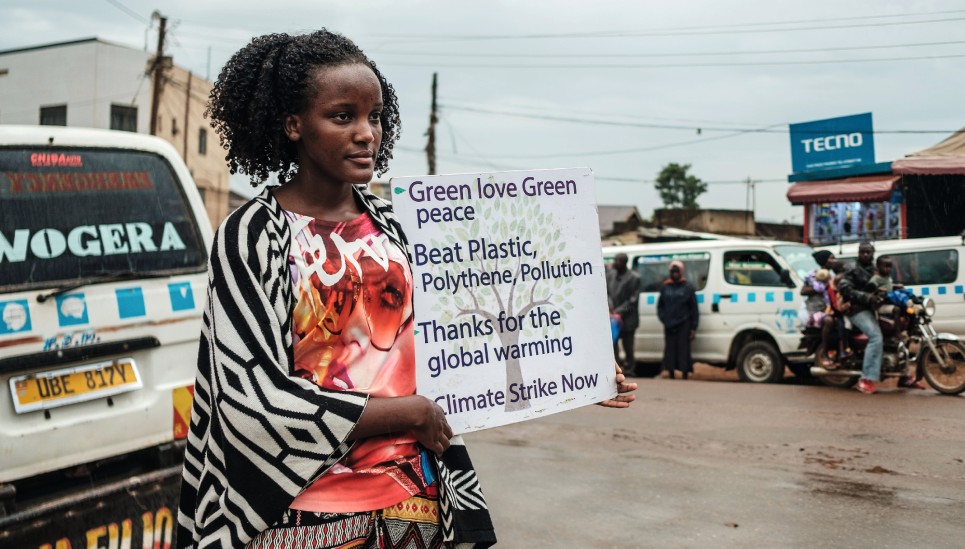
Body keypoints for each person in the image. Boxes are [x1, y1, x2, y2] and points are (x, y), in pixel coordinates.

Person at [176, 30, 636, 549]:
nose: (366, 133)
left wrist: (578, 370)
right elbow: (251, 395)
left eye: (374, 116)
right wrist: (407, 412)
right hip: (300, 509)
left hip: (412, 501)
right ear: (293, 125)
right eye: (343, 116)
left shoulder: (399, 228)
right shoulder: (253, 233)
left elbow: (468, 339)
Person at [838, 242, 924, 394]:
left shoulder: (876, 268)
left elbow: (883, 283)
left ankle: (904, 376)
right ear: (858, 253)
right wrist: (867, 297)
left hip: (876, 308)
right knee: (876, 336)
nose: (865, 255)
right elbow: (845, 288)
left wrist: (897, 287)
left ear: (873, 253)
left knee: (900, 331)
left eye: (868, 252)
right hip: (858, 309)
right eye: (862, 252)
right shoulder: (851, 268)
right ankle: (865, 379)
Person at [657, 260, 699, 379]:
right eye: (672, 271)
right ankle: (671, 372)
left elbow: (694, 308)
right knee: (670, 349)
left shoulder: (688, 287)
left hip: (684, 324)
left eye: (677, 271)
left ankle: (685, 373)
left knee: (683, 350)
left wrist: (693, 327)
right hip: (669, 324)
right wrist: (664, 319)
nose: (675, 274)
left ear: (681, 272)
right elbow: (660, 306)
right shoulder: (665, 287)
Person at [607, 253, 641, 376]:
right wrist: (611, 308)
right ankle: (617, 368)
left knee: (628, 345)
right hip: (613, 317)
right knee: (613, 344)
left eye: (617, 260)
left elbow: (633, 300)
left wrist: (618, 312)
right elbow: (608, 293)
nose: (614, 262)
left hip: (628, 319)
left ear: (624, 262)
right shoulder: (611, 275)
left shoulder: (634, 278)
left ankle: (630, 368)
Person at [801, 250, 834, 328]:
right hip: (816, 310)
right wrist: (822, 286)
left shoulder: (833, 274)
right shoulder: (813, 275)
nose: (834, 261)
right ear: (824, 260)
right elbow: (803, 291)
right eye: (831, 258)